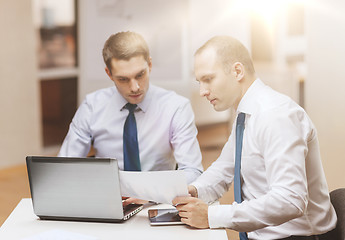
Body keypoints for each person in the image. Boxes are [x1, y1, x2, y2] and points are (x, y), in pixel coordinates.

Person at [172, 36, 337, 240]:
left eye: (208, 79)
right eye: (200, 82)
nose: (203, 91)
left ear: (237, 71)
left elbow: (290, 200)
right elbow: (223, 168)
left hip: (298, 237)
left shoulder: (276, 116)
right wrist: (193, 191)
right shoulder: (245, 115)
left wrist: (211, 215)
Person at [58, 31, 203, 186]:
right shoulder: (92, 106)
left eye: (140, 75)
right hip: (108, 197)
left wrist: (153, 191)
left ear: (150, 65)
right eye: (123, 79)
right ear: (109, 74)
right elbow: (64, 168)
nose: (135, 87)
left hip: (158, 200)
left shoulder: (176, 107)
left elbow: (193, 171)